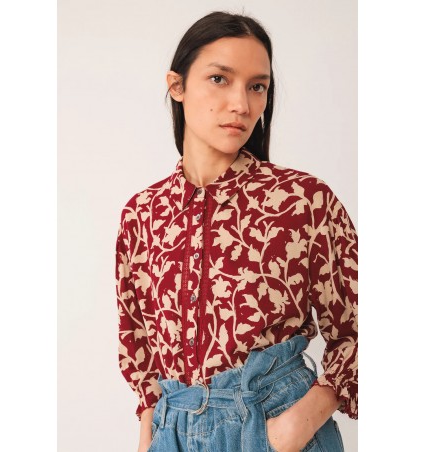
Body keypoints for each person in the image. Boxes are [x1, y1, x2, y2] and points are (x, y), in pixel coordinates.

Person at [116, 11, 357, 452]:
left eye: (257, 86)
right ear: (177, 86)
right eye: (219, 79)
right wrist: (149, 439)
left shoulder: (302, 201)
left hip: (274, 426)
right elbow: (140, 349)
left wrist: (293, 428)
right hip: (171, 434)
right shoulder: (143, 214)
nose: (242, 104)